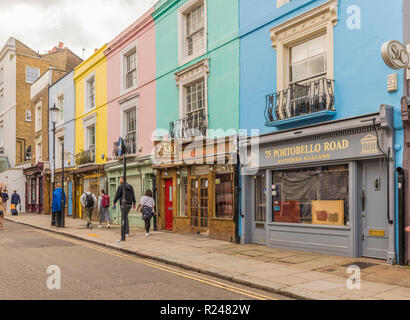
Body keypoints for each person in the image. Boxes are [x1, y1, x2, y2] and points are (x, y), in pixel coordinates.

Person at [113, 177, 136, 242]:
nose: (119, 180)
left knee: (124, 217)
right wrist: (134, 203)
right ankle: (126, 232)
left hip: (124, 204)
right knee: (125, 216)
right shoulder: (130, 187)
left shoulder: (121, 187)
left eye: (120, 179)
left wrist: (114, 202)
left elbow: (117, 195)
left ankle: (126, 232)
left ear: (123, 180)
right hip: (129, 204)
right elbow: (133, 195)